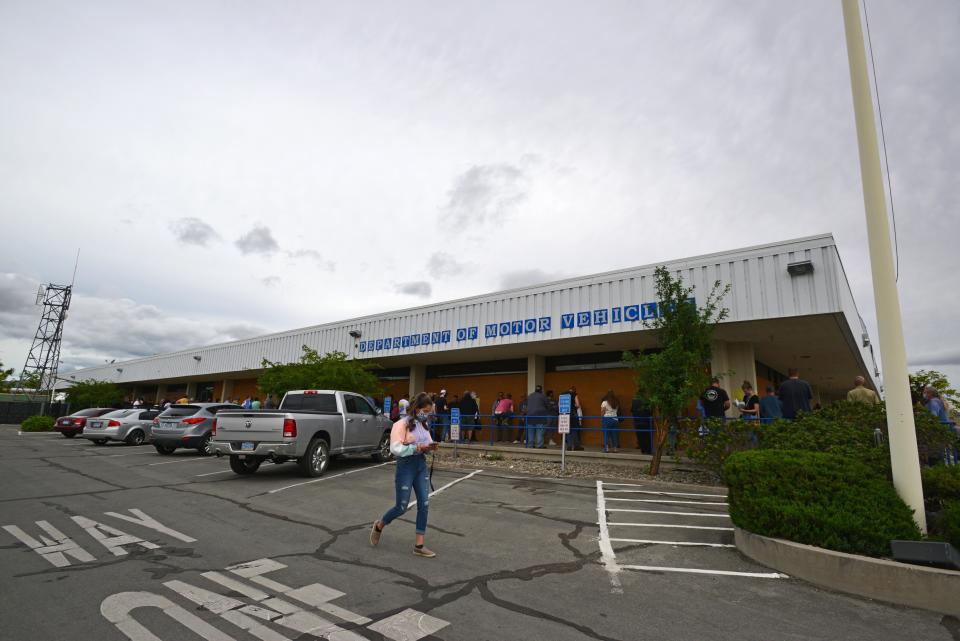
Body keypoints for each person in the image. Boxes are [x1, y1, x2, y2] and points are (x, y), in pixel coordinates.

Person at [369, 392, 438, 558]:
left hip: (420, 465)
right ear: (417, 408)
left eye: (429, 412)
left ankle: (419, 546)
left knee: (424, 503)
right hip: (405, 466)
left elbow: (426, 443)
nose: (427, 414)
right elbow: (395, 449)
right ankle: (379, 525)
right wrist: (415, 448)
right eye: (425, 411)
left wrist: (430, 448)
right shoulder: (400, 424)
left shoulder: (423, 425)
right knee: (401, 506)